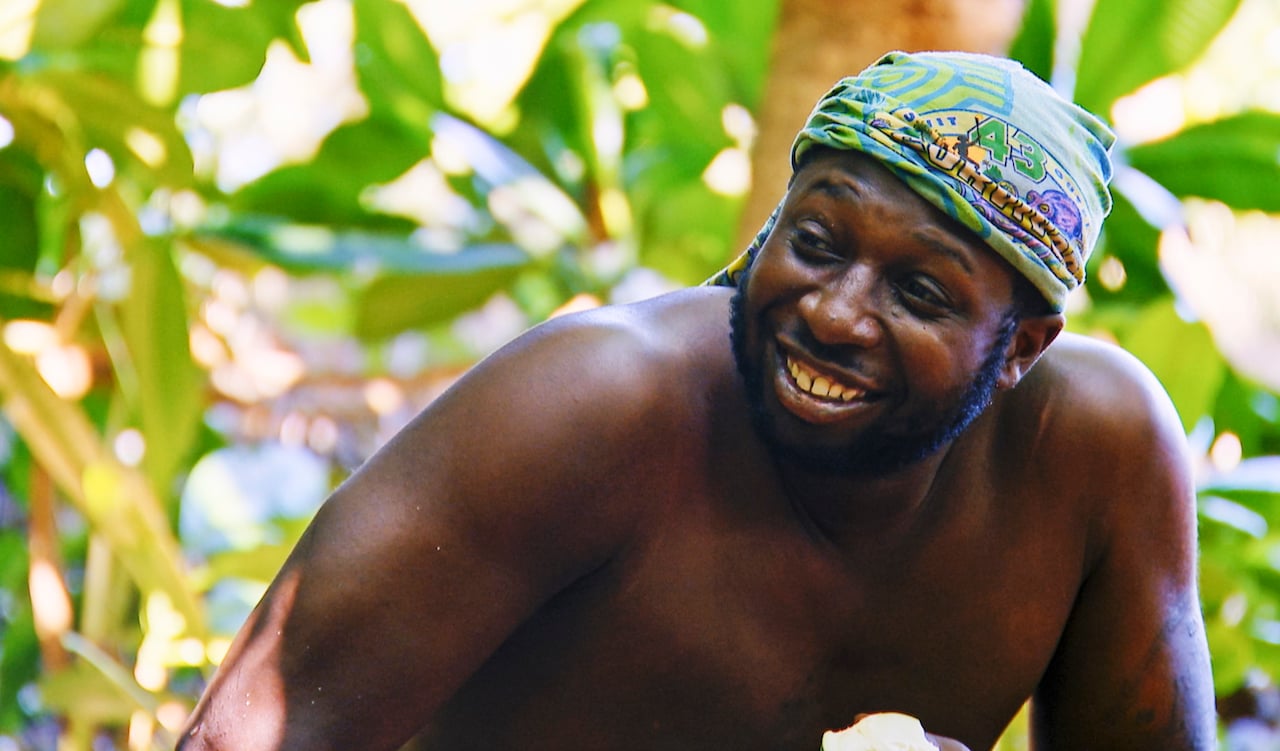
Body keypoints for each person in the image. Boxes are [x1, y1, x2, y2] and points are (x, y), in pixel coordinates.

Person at [176, 51, 1216, 751]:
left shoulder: (1090, 455)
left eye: (918, 291)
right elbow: (251, 733)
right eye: (813, 243)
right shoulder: (592, 406)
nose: (836, 314)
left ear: (1018, 350)